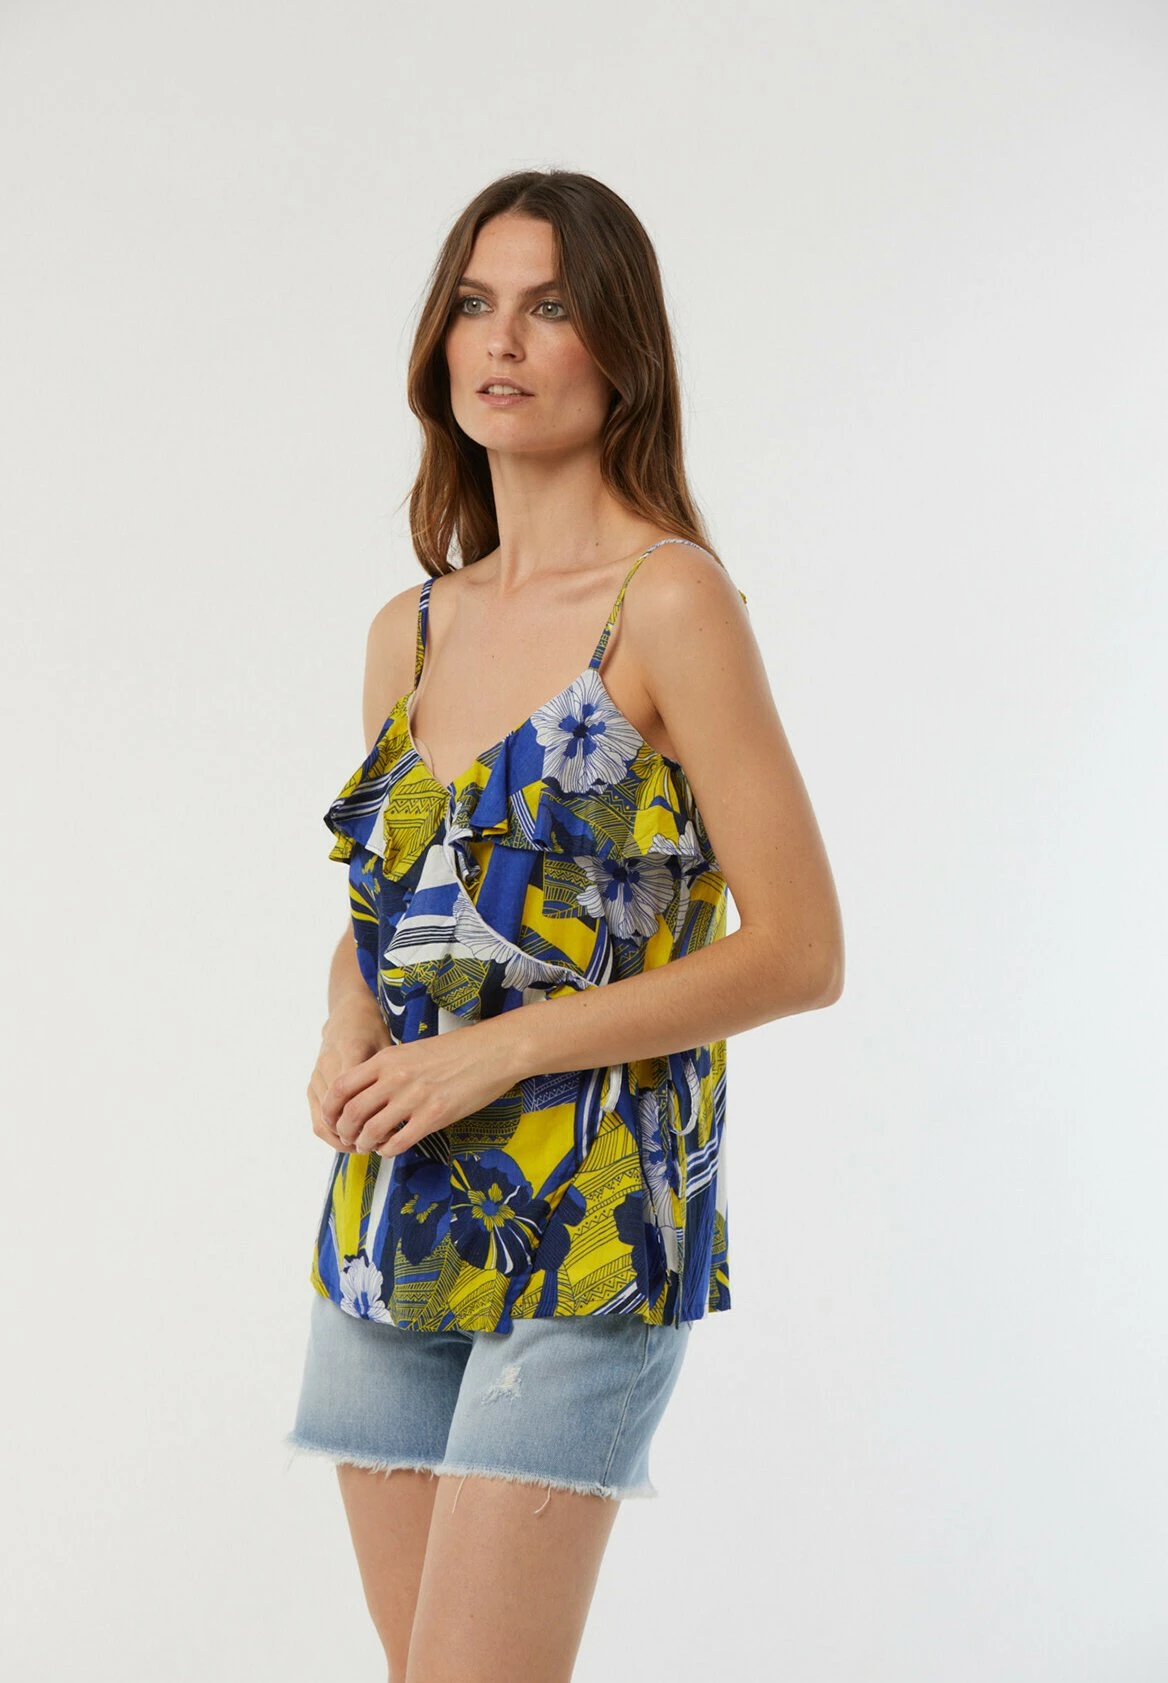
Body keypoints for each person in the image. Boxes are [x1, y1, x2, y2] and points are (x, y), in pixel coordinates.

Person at [284, 168, 844, 1683]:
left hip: (592, 1215)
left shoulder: (668, 602)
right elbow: (392, 918)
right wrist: (347, 1020)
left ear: (623, 348)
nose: (502, 338)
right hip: (393, 1207)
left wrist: (502, 1051)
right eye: (475, 303)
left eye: (549, 305)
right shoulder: (409, 630)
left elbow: (801, 951)